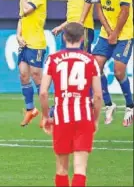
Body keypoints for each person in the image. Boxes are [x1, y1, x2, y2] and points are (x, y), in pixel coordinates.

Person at [40, 22, 103, 187]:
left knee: (61, 169)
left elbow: (43, 92)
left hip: (62, 118)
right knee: (80, 169)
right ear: (82, 39)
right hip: (83, 117)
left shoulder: (53, 59)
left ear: (63, 37)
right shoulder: (90, 60)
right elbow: (97, 95)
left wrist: (46, 116)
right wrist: (95, 119)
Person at [92, 0, 133, 126]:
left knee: (118, 70)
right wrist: (109, 32)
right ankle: (109, 105)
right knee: (96, 66)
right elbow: (99, 9)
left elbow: (125, 13)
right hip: (106, 33)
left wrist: (115, 33)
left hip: (125, 34)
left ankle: (130, 105)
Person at [16, 0, 47, 126]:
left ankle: (46, 114)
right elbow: (22, 17)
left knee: (37, 77)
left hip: (37, 44)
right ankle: (31, 110)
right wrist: (18, 35)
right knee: (23, 75)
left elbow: (27, 10)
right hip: (25, 43)